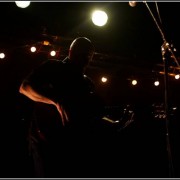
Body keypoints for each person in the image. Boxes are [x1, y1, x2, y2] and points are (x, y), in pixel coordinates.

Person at [19, 37, 116, 177]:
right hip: (44, 142)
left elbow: (88, 118)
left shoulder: (87, 83)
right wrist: (56, 101)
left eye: (88, 55)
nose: (84, 59)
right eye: (81, 54)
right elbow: (24, 87)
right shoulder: (53, 67)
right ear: (70, 52)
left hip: (70, 146)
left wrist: (114, 124)